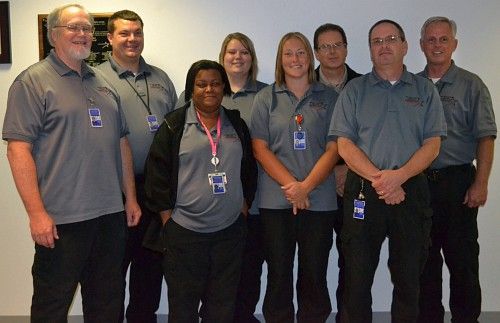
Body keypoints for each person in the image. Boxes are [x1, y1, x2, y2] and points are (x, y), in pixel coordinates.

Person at [2, 4, 141, 322]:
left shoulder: (104, 83)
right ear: (53, 35)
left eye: (88, 28)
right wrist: (37, 214)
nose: (83, 34)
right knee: (52, 304)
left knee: (107, 302)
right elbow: (18, 150)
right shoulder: (32, 83)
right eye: (74, 28)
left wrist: (130, 197)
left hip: (109, 216)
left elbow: (121, 142)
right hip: (61, 218)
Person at [329, 19, 446, 322]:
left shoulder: (425, 90)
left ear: (405, 46)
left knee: (409, 278)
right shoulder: (354, 91)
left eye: (390, 39)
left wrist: (400, 176)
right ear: (370, 50)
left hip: (411, 190)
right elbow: (344, 145)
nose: (383, 46)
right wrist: (382, 181)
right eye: (376, 41)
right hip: (365, 191)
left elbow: (433, 145)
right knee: (356, 277)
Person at [144, 60, 257, 323]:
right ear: (191, 89)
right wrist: (167, 220)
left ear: (224, 88)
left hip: (229, 232)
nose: (209, 89)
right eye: (202, 84)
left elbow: (249, 170)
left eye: (216, 83)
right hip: (185, 232)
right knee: (183, 306)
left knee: (222, 305)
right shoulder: (174, 125)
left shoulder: (236, 124)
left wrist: (243, 207)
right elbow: (156, 175)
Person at [250, 32, 339, 323]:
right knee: (278, 270)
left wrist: (306, 188)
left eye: (301, 53)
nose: (295, 59)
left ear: (310, 57)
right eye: (288, 53)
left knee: (314, 270)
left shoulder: (329, 97)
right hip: (277, 201)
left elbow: (335, 146)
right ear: (280, 59)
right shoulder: (266, 97)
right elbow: (259, 148)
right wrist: (292, 187)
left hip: (319, 200)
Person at [97, 9, 177, 323]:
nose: (132, 39)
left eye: (137, 33)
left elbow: (175, 130)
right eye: (124, 33)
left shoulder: (160, 78)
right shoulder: (95, 78)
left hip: (155, 188)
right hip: (112, 190)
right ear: (110, 38)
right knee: (111, 268)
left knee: (150, 266)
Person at [417, 16, 497, 323]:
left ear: (454, 44)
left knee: (463, 262)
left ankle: (466, 319)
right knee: (423, 262)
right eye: (431, 39)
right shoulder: (412, 85)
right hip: (420, 185)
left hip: (458, 183)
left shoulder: (471, 84)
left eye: (443, 39)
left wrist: (481, 183)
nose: (437, 45)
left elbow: (486, 138)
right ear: (422, 45)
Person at [215, 32, 267, 323]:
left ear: (252, 58)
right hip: (212, 202)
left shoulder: (267, 94)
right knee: (218, 268)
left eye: (244, 52)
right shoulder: (204, 90)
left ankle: (244, 316)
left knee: (250, 266)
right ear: (222, 57)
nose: (238, 57)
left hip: (255, 200)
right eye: (232, 52)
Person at [313, 23, 361, 321]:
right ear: (316, 52)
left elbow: (372, 134)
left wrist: (346, 170)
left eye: (337, 45)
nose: (332, 52)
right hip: (315, 187)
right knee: (314, 260)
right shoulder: (301, 84)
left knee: (353, 260)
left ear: (346, 47)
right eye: (325, 47)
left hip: (353, 186)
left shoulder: (365, 84)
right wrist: (326, 174)